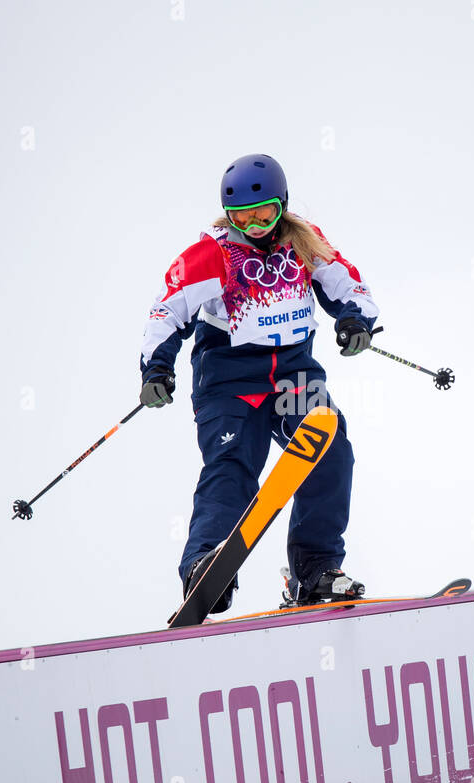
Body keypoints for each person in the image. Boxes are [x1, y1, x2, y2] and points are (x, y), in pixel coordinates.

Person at [139, 153, 379, 621]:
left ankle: (316, 571)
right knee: (232, 466)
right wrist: (156, 369)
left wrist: (355, 320)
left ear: (281, 205)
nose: (252, 222)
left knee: (330, 447)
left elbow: (348, 285)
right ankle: (205, 565)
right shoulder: (210, 254)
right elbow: (166, 311)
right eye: (240, 215)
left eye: (263, 211)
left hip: (293, 374)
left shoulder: (305, 242)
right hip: (231, 381)